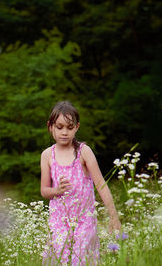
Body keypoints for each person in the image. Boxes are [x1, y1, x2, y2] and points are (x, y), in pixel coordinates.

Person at [40, 101, 121, 265]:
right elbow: (44, 191)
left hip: (84, 221)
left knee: (82, 260)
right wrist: (57, 190)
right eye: (59, 127)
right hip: (59, 222)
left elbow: (101, 185)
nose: (64, 132)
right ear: (50, 127)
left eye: (69, 128)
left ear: (77, 127)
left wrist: (114, 216)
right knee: (59, 259)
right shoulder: (47, 155)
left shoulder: (84, 152)